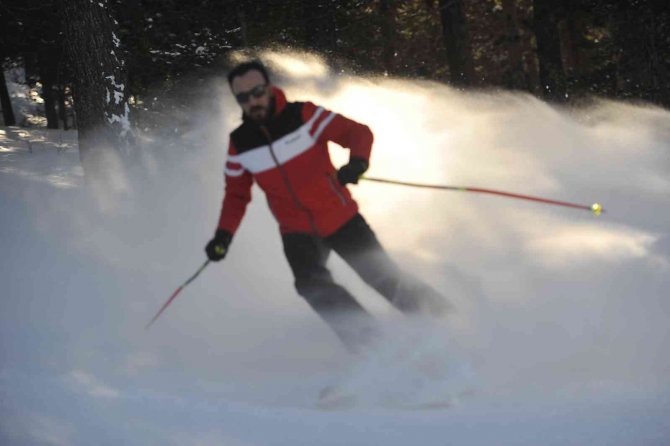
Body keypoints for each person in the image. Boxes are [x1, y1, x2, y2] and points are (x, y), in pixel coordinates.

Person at [206, 60, 450, 354]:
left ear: (269, 88)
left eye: (256, 91)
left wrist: (357, 161)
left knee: (381, 277)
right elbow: (236, 195)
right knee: (311, 284)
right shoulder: (240, 144)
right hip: (296, 229)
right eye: (243, 97)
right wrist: (223, 235)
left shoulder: (304, 115)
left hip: (340, 217)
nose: (252, 101)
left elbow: (357, 133)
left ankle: (448, 323)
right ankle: (375, 347)